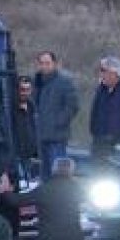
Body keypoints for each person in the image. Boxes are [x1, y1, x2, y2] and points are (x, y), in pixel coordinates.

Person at [33, 51, 80, 181]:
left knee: (58, 172)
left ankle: (60, 197)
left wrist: (59, 122)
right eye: (42, 63)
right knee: (44, 172)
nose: (44, 66)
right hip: (41, 135)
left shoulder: (64, 82)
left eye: (47, 63)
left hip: (57, 136)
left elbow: (73, 106)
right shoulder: (37, 82)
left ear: (54, 64)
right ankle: (45, 196)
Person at [12, 75, 39, 184]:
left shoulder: (33, 108)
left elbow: (34, 129)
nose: (24, 93)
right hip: (15, 154)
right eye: (22, 89)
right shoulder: (10, 108)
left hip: (29, 154)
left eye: (27, 89)